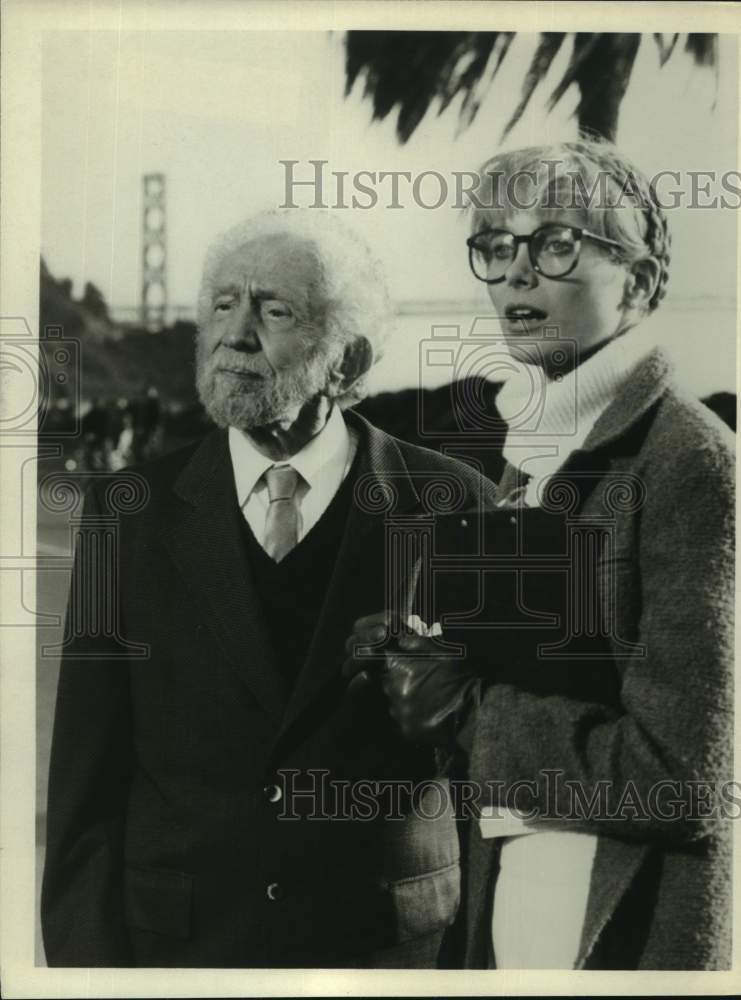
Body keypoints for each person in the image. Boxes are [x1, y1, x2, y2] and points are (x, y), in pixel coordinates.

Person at [41, 209, 497, 968]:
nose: (235, 334)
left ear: (347, 360)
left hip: (392, 955)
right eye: (222, 305)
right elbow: (84, 786)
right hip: (182, 956)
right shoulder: (127, 512)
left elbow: (491, 783)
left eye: (273, 311)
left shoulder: (457, 504)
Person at [345, 139, 735, 970]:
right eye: (495, 246)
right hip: (519, 922)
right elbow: (542, 693)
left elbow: (687, 780)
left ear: (637, 282)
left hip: (623, 940)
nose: (516, 273)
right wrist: (413, 665)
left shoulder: (691, 464)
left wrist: (465, 713)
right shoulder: (534, 452)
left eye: (555, 243)